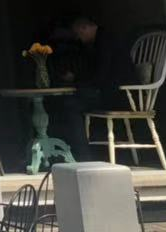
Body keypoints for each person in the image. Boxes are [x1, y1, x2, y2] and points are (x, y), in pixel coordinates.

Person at [53, 15, 132, 159]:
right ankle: (81, 152)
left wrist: (77, 82)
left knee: (70, 105)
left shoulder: (105, 41)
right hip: (110, 90)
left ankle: (83, 155)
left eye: (78, 34)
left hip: (119, 94)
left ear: (85, 28)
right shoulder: (100, 40)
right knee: (70, 101)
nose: (78, 38)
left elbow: (101, 75)